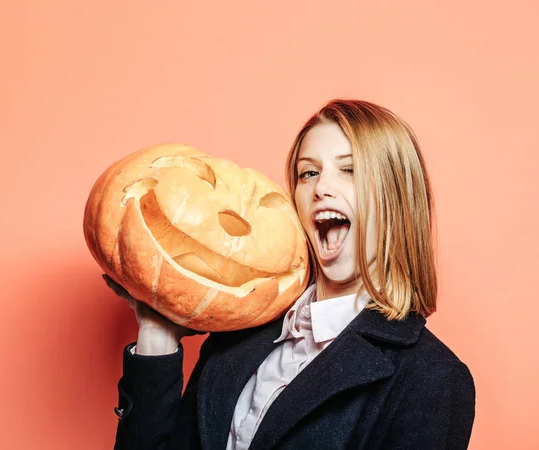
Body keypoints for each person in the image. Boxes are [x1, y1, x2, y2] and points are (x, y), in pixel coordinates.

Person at [104, 99, 476, 449]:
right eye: (308, 173)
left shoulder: (434, 380)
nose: (321, 189)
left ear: (396, 198)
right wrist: (157, 337)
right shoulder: (243, 328)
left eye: (350, 170)